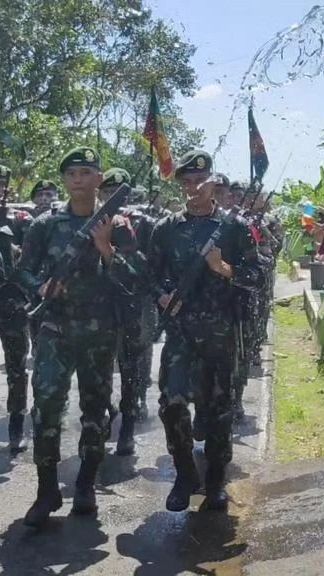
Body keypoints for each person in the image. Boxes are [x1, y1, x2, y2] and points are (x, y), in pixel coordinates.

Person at [19, 147, 141, 527]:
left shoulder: (118, 225)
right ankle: (46, 490)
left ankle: (86, 484)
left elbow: (134, 281)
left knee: (94, 409)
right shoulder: (46, 225)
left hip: (99, 333)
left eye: (86, 172)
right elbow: (23, 272)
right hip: (55, 330)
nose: (77, 179)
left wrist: (106, 249)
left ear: (98, 179)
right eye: (71, 172)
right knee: (47, 405)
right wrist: (40, 289)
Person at [148, 149, 263, 512]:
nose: (193, 188)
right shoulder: (166, 228)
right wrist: (162, 296)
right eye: (187, 182)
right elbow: (148, 274)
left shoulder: (233, 228)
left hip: (219, 331)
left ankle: (215, 479)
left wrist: (224, 268)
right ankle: (185, 475)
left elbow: (256, 275)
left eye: (200, 181)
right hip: (180, 331)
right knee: (172, 402)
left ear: (213, 183)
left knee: (218, 408)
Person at [99, 168, 153, 452]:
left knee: (131, 367)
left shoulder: (143, 222)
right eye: (107, 192)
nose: (113, 198)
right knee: (99, 367)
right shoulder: (93, 220)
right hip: (100, 305)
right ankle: (108, 411)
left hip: (133, 302)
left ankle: (128, 428)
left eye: (118, 193)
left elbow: (148, 266)